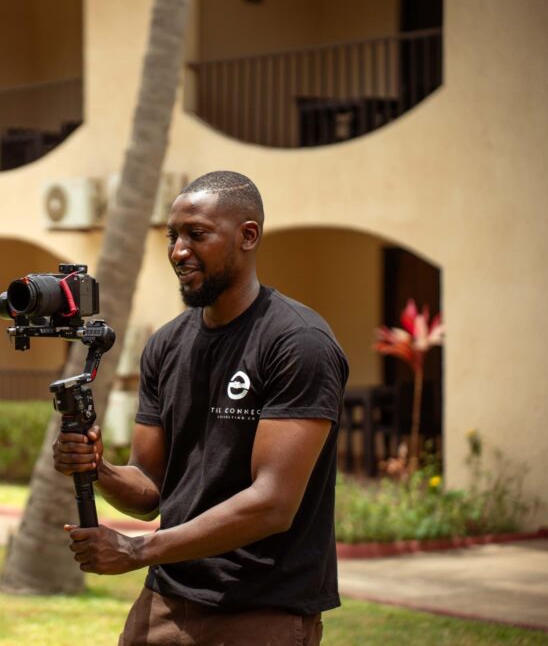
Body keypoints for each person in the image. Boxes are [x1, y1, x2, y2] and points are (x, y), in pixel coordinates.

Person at [54, 170, 348, 645]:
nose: (178, 251)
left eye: (196, 234)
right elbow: (149, 490)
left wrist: (137, 550)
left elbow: (272, 504)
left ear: (247, 236)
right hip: (166, 601)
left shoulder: (298, 343)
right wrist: (98, 468)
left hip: (262, 610)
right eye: (173, 236)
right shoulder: (166, 345)